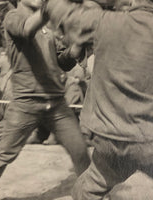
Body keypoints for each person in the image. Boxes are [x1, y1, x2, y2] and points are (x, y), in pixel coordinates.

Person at [0, 0, 90, 199]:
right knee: (4, 154)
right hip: (26, 102)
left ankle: (91, 194)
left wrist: (77, 46)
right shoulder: (13, 17)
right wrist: (50, 9)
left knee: (80, 151)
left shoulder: (47, 27)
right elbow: (26, 30)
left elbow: (62, 62)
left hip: (56, 102)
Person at [44, 0, 153, 199]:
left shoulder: (106, 22)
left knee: (86, 190)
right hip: (148, 140)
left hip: (113, 139)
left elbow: (57, 8)